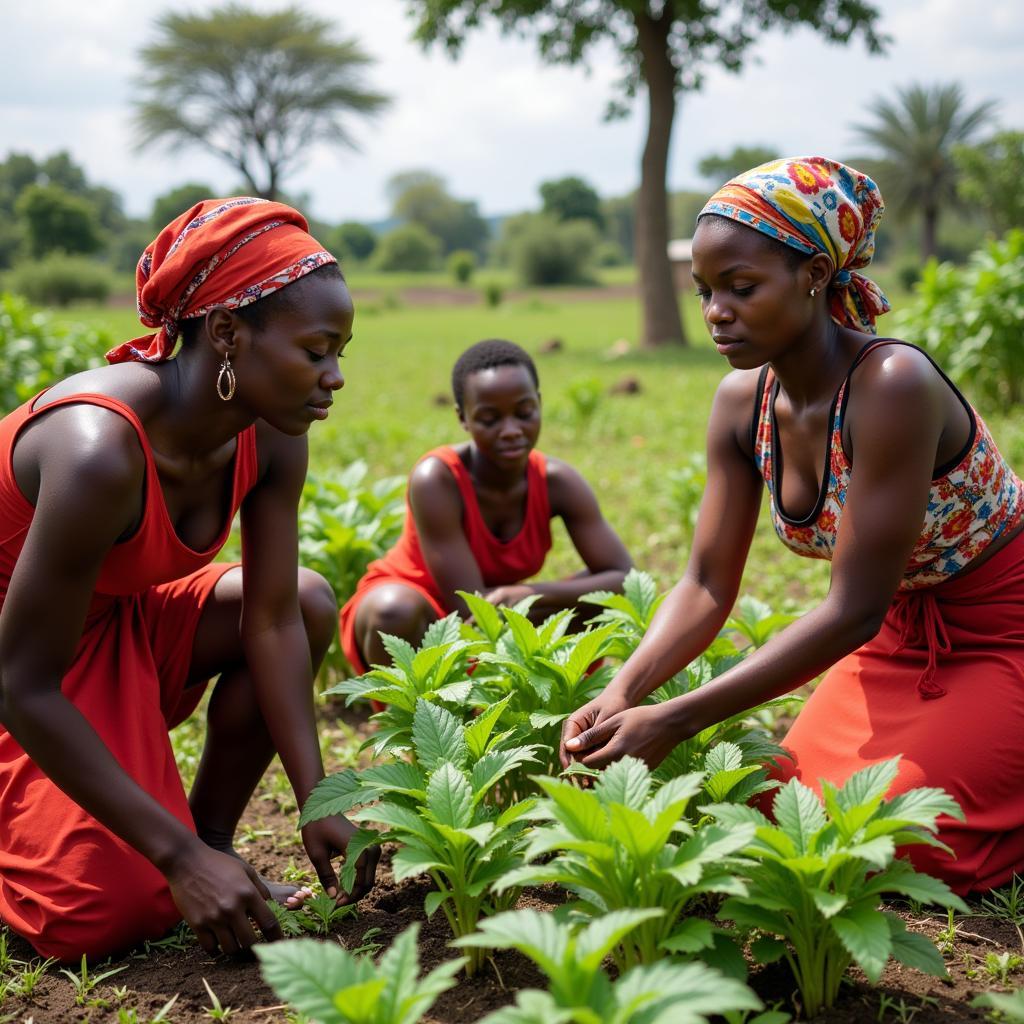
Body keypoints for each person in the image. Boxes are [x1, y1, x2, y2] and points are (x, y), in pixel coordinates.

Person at [561, 157, 1024, 895]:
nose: (716, 311)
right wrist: (623, 691)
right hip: (900, 635)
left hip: (1006, 632)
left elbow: (851, 610)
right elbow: (707, 584)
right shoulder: (742, 402)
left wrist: (675, 719)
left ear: (814, 274)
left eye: (742, 288)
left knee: (895, 844)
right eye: (707, 291)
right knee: (780, 810)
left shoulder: (891, 386)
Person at [0, 197, 377, 962]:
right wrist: (171, 863)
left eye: (341, 351)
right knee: (99, 916)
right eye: (315, 350)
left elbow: (270, 618)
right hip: (24, 665)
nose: (334, 377)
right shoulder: (99, 452)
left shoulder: (272, 433)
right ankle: (178, 856)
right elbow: (21, 681)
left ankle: (214, 844)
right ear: (229, 333)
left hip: (115, 626)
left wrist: (316, 797)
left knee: (307, 598)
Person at [340, 339, 632, 673]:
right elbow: (472, 606)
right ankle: (419, 720)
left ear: (538, 404)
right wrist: (525, 597)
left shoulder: (557, 481)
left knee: (596, 600)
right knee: (394, 610)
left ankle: (571, 706)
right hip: (425, 610)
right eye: (490, 419)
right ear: (463, 418)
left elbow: (624, 577)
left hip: (501, 605)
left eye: (523, 413)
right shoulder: (437, 478)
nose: (510, 431)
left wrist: (529, 593)